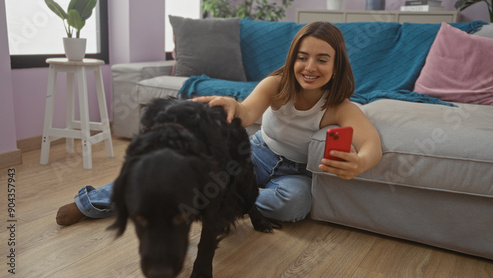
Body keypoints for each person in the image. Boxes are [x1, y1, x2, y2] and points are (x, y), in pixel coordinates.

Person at [56, 21, 382, 226]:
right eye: (302, 56)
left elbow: (372, 145)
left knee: (293, 206)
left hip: (295, 173)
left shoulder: (340, 107)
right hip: (256, 154)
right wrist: (232, 104)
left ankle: (212, 196)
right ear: (292, 59)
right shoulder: (277, 84)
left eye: (322, 59)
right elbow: (247, 113)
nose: (310, 66)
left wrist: (359, 162)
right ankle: (90, 204)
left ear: (336, 67)